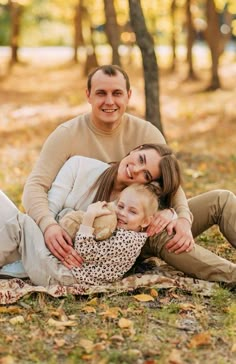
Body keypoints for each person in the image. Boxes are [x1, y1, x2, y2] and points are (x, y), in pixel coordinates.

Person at [21, 64, 236, 282]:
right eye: (101, 93)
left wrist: (181, 217)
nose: (109, 101)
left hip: (144, 218)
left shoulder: (146, 133)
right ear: (88, 95)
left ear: (128, 96)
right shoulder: (67, 136)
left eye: (117, 93)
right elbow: (35, 187)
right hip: (106, 239)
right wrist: (48, 225)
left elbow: (171, 183)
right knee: (158, 234)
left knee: (221, 199)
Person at [0, 144, 181, 285]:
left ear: (148, 184)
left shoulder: (133, 213)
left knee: (18, 223)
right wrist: (49, 227)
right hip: (40, 240)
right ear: (135, 150)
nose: (135, 170)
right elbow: (49, 209)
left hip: (56, 264)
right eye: (140, 159)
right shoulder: (81, 166)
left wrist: (172, 213)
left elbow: (90, 250)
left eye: (146, 174)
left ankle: (20, 263)